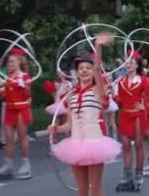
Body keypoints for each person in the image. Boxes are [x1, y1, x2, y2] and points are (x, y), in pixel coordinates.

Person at [49, 34, 121, 196]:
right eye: (81, 68)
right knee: (82, 190)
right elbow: (70, 124)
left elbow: (97, 69)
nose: (84, 71)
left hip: (94, 143)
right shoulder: (71, 95)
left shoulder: (97, 91)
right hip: (75, 144)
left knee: (95, 188)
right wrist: (56, 128)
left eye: (87, 68)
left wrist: (98, 46)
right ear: (76, 72)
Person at [114, 50, 149, 192]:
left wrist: (145, 105)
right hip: (125, 117)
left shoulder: (143, 80)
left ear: (137, 65)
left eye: (132, 63)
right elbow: (121, 101)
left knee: (139, 145)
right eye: (127, 63)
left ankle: (139, 175)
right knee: (126, 147)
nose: (129, 65)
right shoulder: (121, 82)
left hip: (138, 118)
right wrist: (114, 95)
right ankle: (127, 177)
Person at [0, 48, 34, 180]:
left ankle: (26, 164)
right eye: (8, 62)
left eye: (12, 62)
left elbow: (28, 95)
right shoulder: (7, 78)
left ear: (19, 62)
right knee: (8, 139)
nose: (9, 64)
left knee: (22, 137)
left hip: (21, 109)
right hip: (9, 109)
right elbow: (4, 96)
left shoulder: (24, 76)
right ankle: (8, 165)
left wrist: (25, 86)